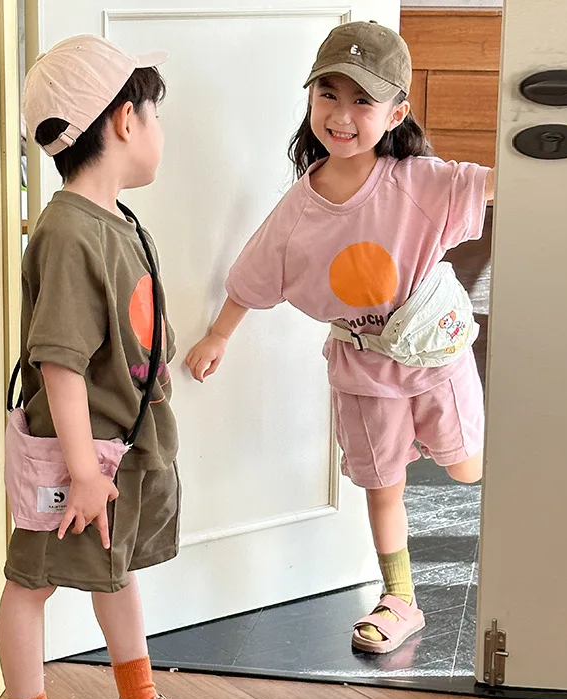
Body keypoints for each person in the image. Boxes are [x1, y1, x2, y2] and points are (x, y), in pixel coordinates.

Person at [186, 21, 494, 656]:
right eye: (329, 94)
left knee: (466, 472)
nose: (342, 114)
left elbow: (490, 182)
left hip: (434, 355)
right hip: (361, 369)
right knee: (383, 487)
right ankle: (400, 599)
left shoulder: (418, 181)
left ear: (396, 112)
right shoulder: (299, 207)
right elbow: (253, 272)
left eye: (362, 100)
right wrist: (219, 334)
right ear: (310, 99)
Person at [0, 34, 208, 699]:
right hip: (76, 456)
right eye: (154, 114)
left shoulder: (114, 219)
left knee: (113, 573)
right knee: (33, 582)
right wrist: (83, 473)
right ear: (124, 121)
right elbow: (59, 360)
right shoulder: (68, 231)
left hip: (119, 448)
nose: (158, 130)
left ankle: (137, 697)